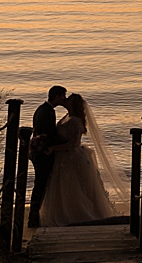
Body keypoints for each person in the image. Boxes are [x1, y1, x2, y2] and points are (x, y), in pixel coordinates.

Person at [38, 92, 127, 227]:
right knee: (64, 190)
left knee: (74, 190)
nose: (65, 100)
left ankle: (77, 215)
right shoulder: (67, 117)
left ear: (73, 104)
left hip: (71, 159)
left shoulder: (75, 121)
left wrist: (53, 148)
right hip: (63, 159)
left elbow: (72, 145)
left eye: (68, 99)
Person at [27, 85, 68, 229]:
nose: (64, 99)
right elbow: (50, 135)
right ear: (56, 96)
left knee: (40, 183)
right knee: (41, 184)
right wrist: (66, 143)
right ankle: (33, 216)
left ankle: (34, 214)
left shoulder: (42, 109)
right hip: (43, 153)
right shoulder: (48, 112)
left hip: (38, 151)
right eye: (63, 96)